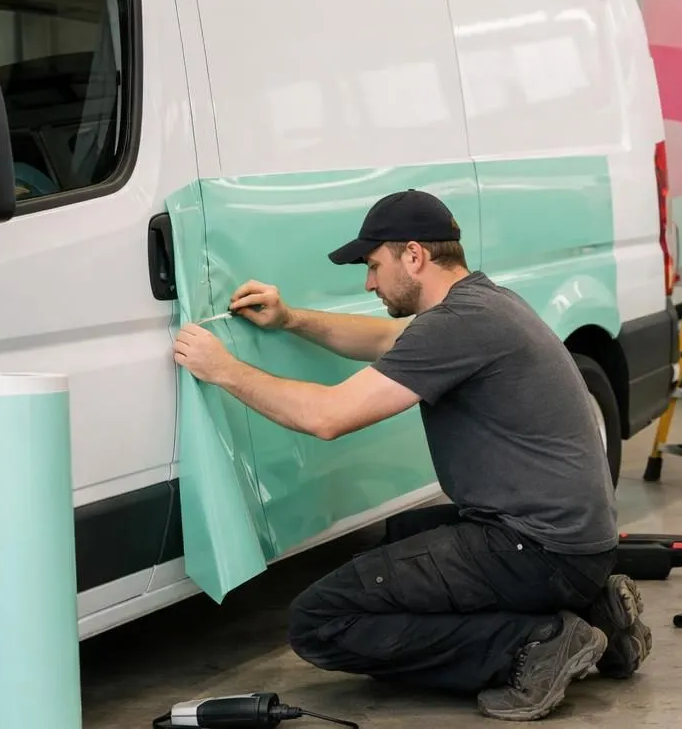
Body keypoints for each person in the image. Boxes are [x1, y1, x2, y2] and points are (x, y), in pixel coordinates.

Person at [171, 188, 651, 722]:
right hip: (577, 544)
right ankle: (597, 614)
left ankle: (533, 643)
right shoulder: (486, 303)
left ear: (414, 255)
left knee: (320, 620)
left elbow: (327, 417)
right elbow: (385, 338)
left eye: (373, 265)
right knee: (402, 535)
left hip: (539, 551)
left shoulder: (456, 326)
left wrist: (224, 370)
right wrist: (289, 319)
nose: (368, 283)